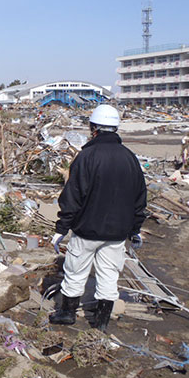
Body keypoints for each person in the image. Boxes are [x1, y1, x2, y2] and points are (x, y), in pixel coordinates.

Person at [49, 104, 147, 332]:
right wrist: (135, 229)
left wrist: (61, 229)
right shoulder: (130, 158)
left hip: (87, 231)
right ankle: (100, 323)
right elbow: (140, 198)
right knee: (109, 276)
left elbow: (72, 197)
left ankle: (67, 314)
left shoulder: (87, 156)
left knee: (75, 273)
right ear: (115, 129)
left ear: (93, 128)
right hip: (117, 234)